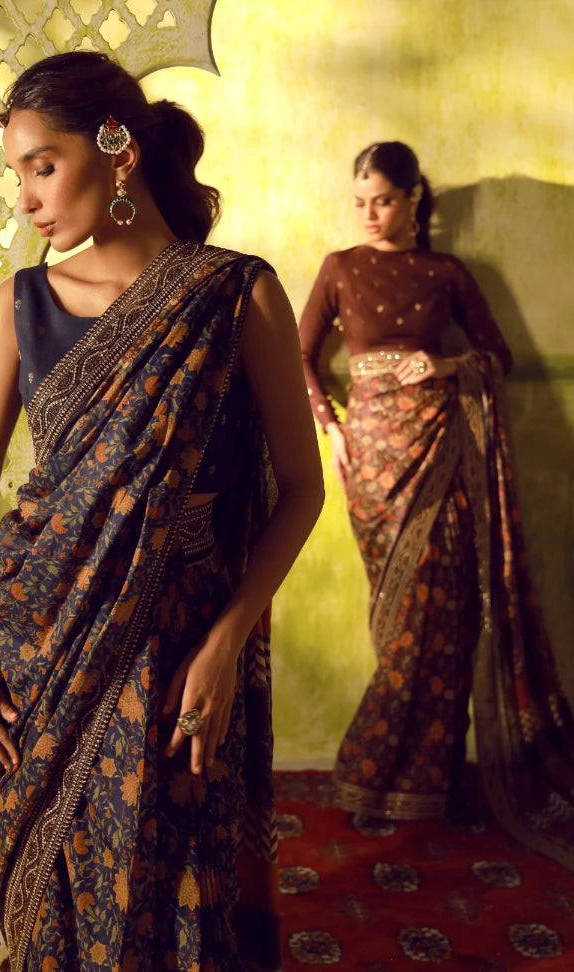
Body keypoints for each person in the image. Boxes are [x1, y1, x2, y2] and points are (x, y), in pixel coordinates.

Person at [0, 51, 324, 971]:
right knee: (56, 880)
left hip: (181, 640)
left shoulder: (235, 293)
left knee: (173, 877)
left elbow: (303, 487)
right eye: (16, 175)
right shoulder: (21, 304)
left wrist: (225, 642)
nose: (26, 199)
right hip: (43, 636)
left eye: (43, 166)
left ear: (118, 151)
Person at [299, 140, 574, 868]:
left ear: (413, 200)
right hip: (370, 457)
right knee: (399, 622)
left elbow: (496, 355)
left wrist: (446, 363)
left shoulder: (445, 272)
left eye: (383, 201)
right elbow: (299, 354)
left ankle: (428, 779)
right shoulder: (339, 268)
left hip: (442, 450)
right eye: (360, 202)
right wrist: (331, 427)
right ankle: (380, 774)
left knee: (442, 614)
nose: (369, 215)